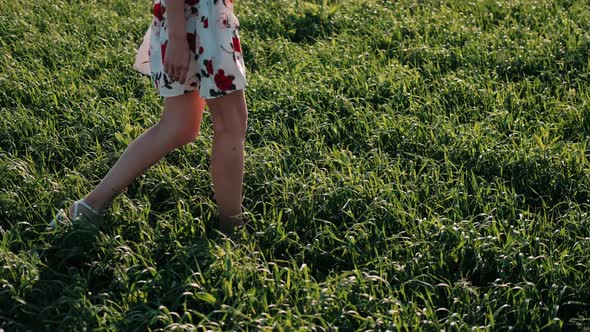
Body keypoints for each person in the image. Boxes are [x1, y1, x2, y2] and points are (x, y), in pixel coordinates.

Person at [49, 0, 248, 234]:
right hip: (198, 21)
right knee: (231, 125)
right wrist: (177, 38)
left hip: (193, 19)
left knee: (179, 126)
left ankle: (87, 208)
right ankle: (233, 229)